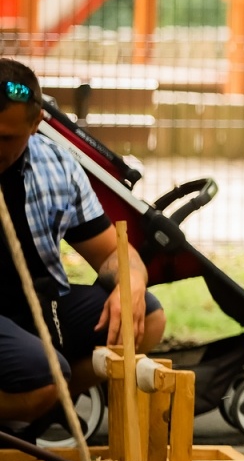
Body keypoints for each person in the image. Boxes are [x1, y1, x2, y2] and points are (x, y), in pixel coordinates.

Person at [0, 59, 165, 440]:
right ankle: (39, 395)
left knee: (147, 319)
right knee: (47, 375)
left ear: (36, 122)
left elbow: (113, 253)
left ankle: (43, 405)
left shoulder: (57, 163)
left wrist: (131, 284)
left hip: (41, 305)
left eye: (7, 138)